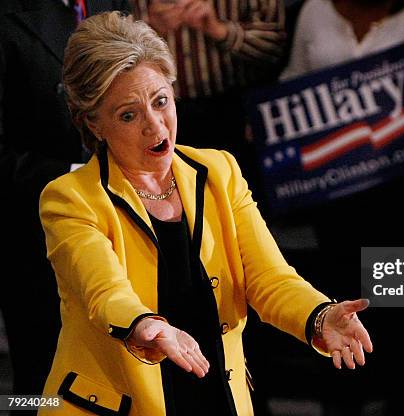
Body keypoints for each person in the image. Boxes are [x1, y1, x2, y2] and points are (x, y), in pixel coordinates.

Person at [38, 12, 372, 416]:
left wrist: (319, 315)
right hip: (119, 405)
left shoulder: (219, 171)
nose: (154, 125)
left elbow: (269, 279)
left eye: (161, 101)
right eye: (128, 115)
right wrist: (147, 325)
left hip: (219, 398)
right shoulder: (70, 198)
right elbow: (103, 290)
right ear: (93, 124)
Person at [0, 0, 129, 402]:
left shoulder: (112, 4)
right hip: (34, 237)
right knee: (42, 385)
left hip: (118, 228)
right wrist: (81, 174)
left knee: (117, 381)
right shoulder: (8, 17)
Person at [130, 0, 286, 192]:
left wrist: (219, 30)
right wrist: (146, 31)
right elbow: (102, 50)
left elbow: (276, 49)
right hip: (160, 118)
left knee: (244, 200)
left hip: (237, 112)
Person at [281, 0, 404, 117]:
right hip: (331, 163)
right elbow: (295, 75)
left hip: (401, 156)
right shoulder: (314, 9)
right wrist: (266, 121)